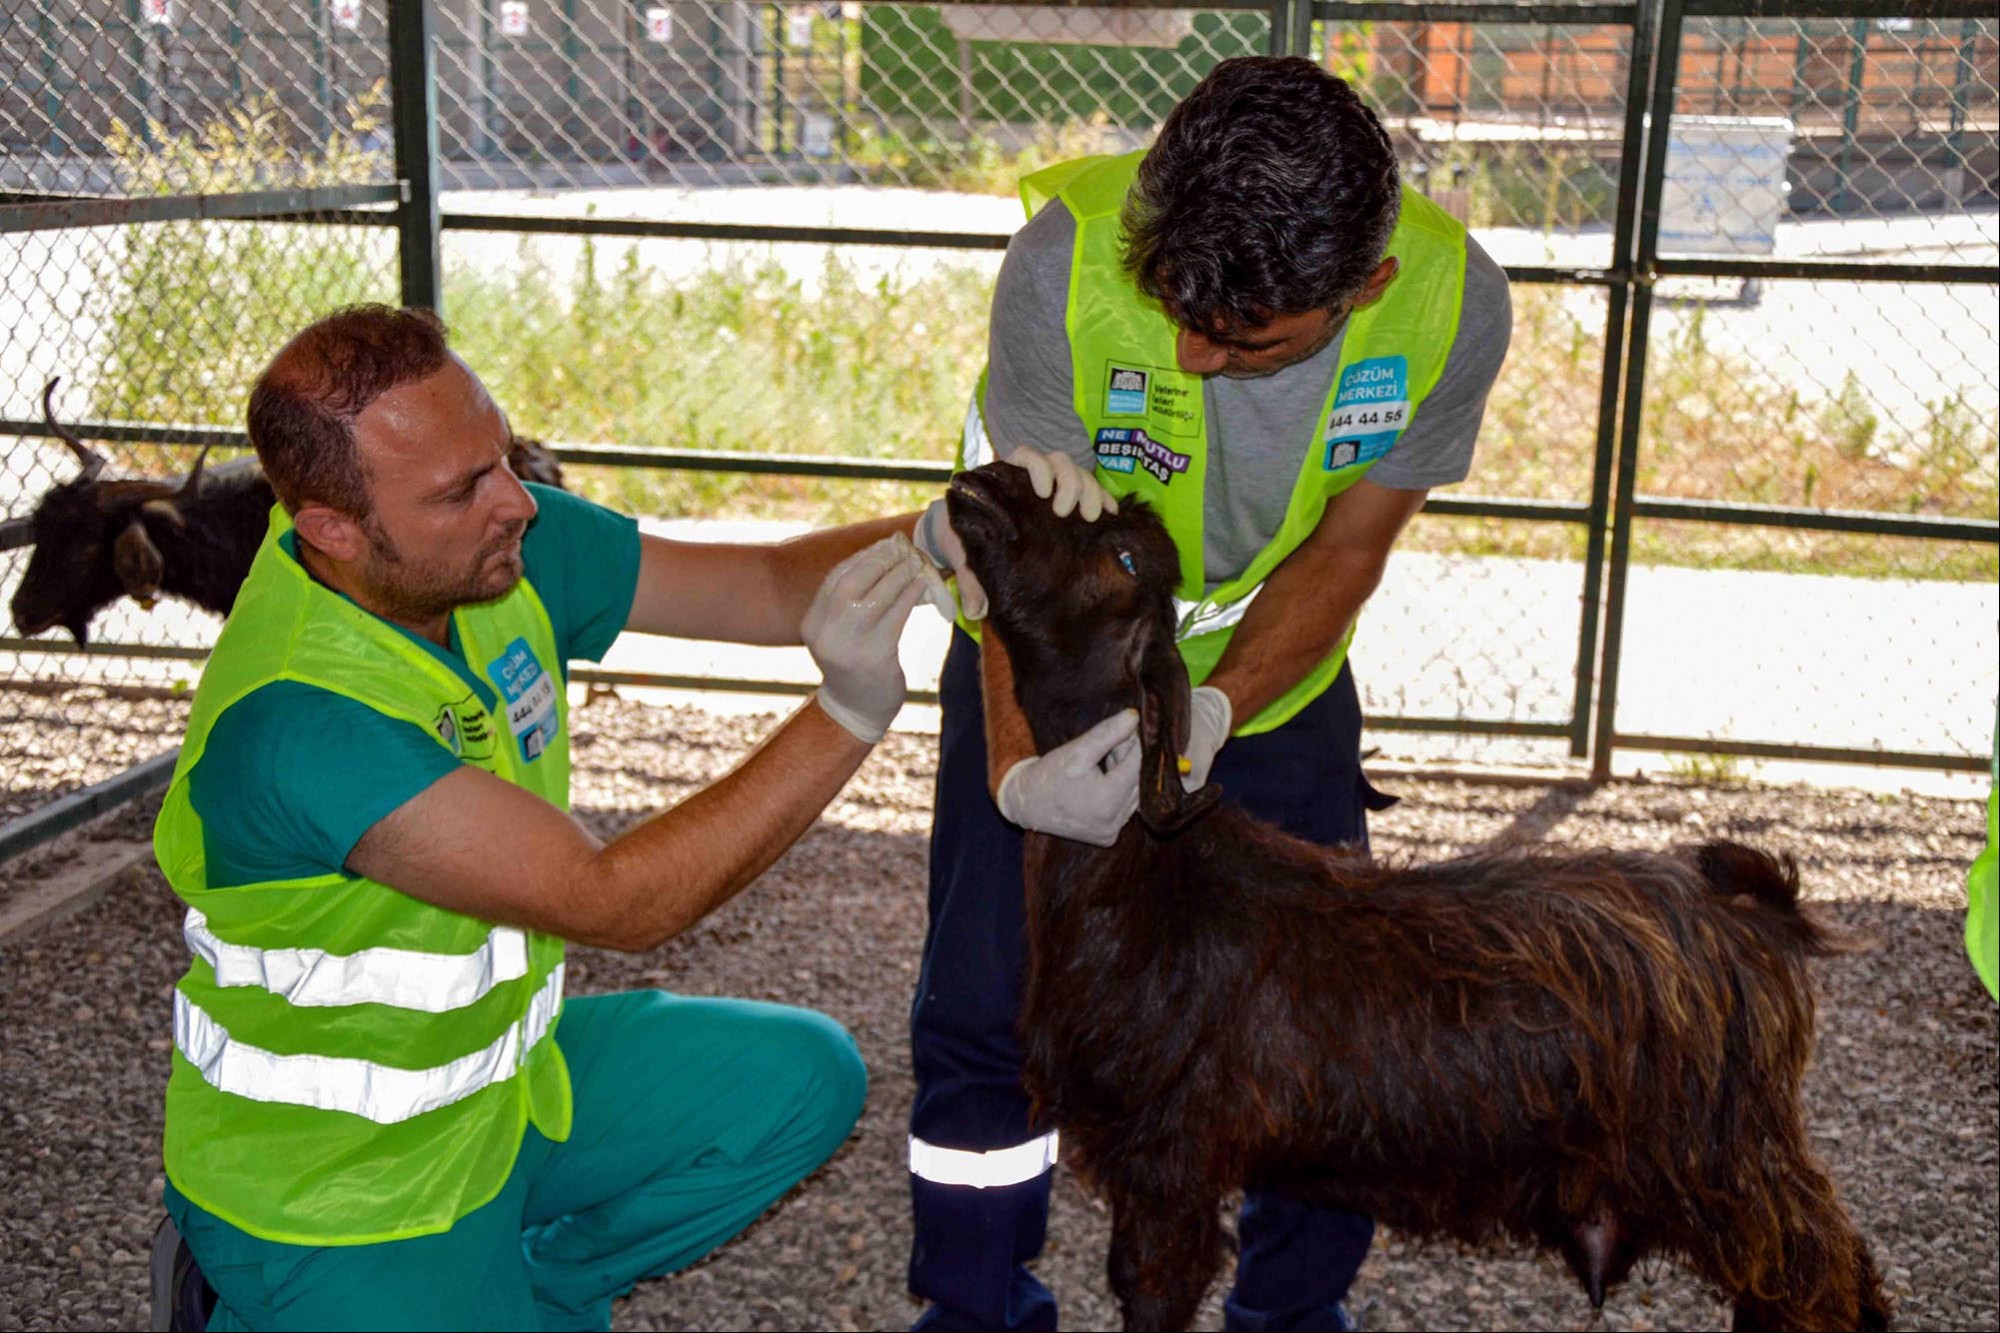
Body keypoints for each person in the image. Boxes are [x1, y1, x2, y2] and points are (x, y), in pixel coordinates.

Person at [144, 303, 1095, 1331]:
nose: (515, 501)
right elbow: (615, 901)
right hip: (338, 1190)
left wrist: (940, 538)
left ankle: (534, 1289)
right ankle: (239, 1298)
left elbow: (762, 586)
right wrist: (847, 713)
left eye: (500, 456)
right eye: (463, 488)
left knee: (795, 1081)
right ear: (329, 528)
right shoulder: (301, 721)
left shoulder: (473, 549)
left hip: (502, 1096)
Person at [903, 57, 1515, 1331]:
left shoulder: (1450, 306)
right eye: (1174, 307)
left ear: (1366, 288)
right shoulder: (1061, 262)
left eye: (1242, 342)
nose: (1189, 352)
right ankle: (975, 1308)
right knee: (985, 998)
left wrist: (1216, 708)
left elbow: (1345, 553)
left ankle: (1286, 1316)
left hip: (1273, 692)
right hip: (1048, 666)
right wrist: (1021, 773)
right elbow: (1015, 560)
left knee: (1325, 1031)